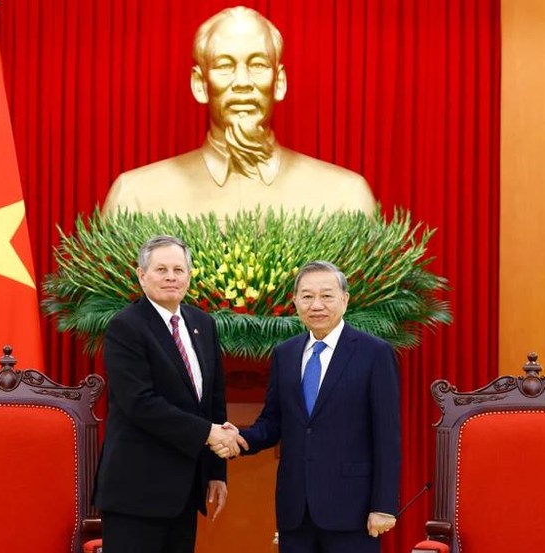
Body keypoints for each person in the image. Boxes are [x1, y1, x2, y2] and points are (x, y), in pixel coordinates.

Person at [102, 7, 376, 222]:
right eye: (224, 66)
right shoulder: (135, 198)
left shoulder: (345, 198)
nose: (242, 81)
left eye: (257, 65)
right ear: (200, 85)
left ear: (279, 82)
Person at [221, 261, 401, 553]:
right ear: (295, 301)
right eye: (307, 296)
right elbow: (273, 422)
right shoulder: (285, 354)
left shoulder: (375, 353)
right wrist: (239, 439)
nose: (316, 304)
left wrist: (383, 506)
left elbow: (387, 436)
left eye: (326, 296)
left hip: (352, 510)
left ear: (344, 299)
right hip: (296, 511)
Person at [93, 235, 241, 553]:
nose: (171, 277)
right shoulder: (126, 327)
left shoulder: (202, 324)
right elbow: (139, 403)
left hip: (185, 491)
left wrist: (216, 473)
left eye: (178, 269)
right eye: (161, 269)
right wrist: (209, 434)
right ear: (141, 275)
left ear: (189, 276)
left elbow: (214, 402)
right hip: (136, 493)